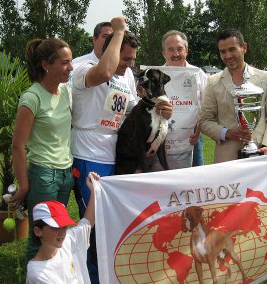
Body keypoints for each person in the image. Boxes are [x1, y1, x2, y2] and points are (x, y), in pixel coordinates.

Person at [70, 17, 172, 283]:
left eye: (132, 60)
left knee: (112, 222)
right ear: (110, 49)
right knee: (91, 227)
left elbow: (129, 109)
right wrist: (119, 31)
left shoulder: (125, 75)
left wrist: (162, 108)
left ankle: (111, 273)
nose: (129, 66)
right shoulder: (83, 68)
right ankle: (91, 277)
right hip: (88, 156)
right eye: (125, 59)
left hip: (115, 155)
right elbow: (103, 73)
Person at [10, 37, 74, 262]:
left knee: (56, 232)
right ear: (46, 65)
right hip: (44, 177)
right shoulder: (32, 97)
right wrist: (24, 185)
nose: (71, 67)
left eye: (71, 61)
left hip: (66, 175)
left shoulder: (65, 91)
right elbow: (18, 146)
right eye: (65, 63)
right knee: (39, 237)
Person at [199, 28, 267, 163]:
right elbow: (204, 121)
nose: (227, 56)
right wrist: (227, 133)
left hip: (258, 155)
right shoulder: (213, 82)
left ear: (244, 47)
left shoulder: (265, 78)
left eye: (232, 49)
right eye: (223, 52)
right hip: (225, 159)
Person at [26, 172, 99, 284]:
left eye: (64, 226)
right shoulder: (37, 274)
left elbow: (87, 222)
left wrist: (94, 190)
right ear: (38, 231)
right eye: (55, 227)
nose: (62, 232)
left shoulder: (68, 239)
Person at [160, 30, 208, 168]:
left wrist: (200, 127)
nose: (175, 54)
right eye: (170, 50)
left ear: (186, 50)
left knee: (196, 181)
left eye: (180, 49)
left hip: (192, 139)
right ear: (164, 53)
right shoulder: (155, 76)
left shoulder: (199, 75)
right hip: (162, 141)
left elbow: (207, 107)